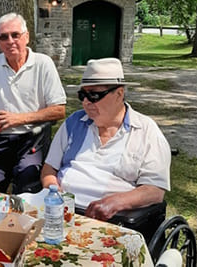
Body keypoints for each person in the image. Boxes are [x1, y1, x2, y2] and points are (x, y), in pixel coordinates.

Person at [41, 57, 171, 221]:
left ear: (119, 94)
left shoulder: (145, 130)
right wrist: (52, 190)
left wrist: (116, 202)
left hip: (114, 220)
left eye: (94, 95)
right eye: (83, 95)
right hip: (62, 214)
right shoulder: (74, 123)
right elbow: (49, 168)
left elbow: (154, 191)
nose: (86, 102)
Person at [0, 12, 66, 194]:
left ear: (26, 37)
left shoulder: (43, 64)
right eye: (4, 37)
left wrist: (18, 119)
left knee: (27, 181)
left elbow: (59, 110)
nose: (10, 41)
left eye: (15, 35)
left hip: (32, 137)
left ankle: (23, 220)